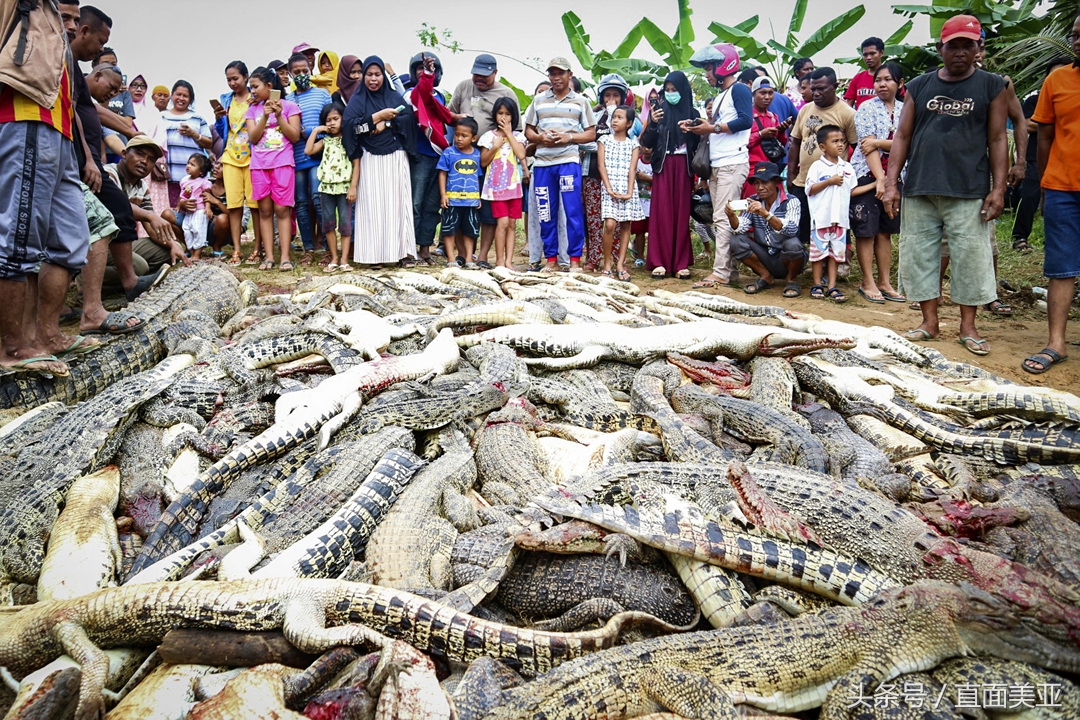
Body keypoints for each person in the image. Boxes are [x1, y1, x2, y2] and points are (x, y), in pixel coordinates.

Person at [883, 14, 1009, 355]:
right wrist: (891, 183)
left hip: (968, 188)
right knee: (919, 255)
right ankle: (929, 322)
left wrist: (998, 189)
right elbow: (903, 136)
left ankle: (968, 327)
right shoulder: (921, 85)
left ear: (978, 48)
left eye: (968, 45)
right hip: (920, 186)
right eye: (953, 45)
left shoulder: (991, 85)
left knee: (971, 258)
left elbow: (998, 138)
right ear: (941, 48)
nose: (960, 52)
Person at [0, 0, 94, 375]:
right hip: (25, 118)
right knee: (18, 239)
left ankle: (47, 336)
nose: (72, 25)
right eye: (68, 18)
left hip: (60, 134)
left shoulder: (56, 29)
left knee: (71, 241)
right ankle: (12, 348)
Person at [1022, 19, 1080, 374]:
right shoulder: (1056, 80)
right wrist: (1043, 183)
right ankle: (1056, 342)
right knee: (1061, 267)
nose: (1076, 41)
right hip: (1062, 188)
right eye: (1075, 34)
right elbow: (1044, 137)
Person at [683, 43, 753, 289]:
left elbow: (746, 121)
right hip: (720, 163)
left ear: (725, 65)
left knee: (724, 217)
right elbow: (720, 127)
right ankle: (729, 271)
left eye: (709, 68)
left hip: (732, 162)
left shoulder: (740, 90)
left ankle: (721, 272)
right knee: (721, 216)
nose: (707, 73)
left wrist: (710, 127)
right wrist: (698, 125)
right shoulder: (723, 95)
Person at [342, 56, 417, 267]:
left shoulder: (394, 97)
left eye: (377, 75)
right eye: (369, 75)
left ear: (383, 76)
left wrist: (388, 124)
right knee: (372, 207)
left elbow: (408, 119)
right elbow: (351, 128)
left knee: (398, 205)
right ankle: (374, 256)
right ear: (363, 76)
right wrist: (375, 118)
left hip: (395, 156)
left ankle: (403, 254)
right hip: (369, 158)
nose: (373, 79)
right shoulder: (357, 101)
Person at [447, 54, 520, 268]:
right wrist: (459, 119)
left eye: (484, 76)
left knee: (488, 212)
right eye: (476, 74)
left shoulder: (506, 93)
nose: (479, 79)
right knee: (462, 204)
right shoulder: (463, 87)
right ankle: (463, 254)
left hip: (493, 162)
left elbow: (515, 128)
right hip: (463, 156)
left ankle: (482, 256)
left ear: (495, 73)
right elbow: (448, 115)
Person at [523, 57, 596, 271]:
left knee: (573, 211)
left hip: (568, 162)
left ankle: (574, 261)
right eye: (552, 73)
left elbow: (591, 133)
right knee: (546, 212)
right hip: (543, 163)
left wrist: (569, 138)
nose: (556, 78)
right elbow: (528, 130)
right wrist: (540, 139)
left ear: (569, 75)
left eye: (560, 73)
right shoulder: (538, 100)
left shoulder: (581, 102)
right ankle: (551, 260)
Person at [850, 62, 906, 304]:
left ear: (900, 83)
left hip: (898, 176)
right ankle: (867, 281)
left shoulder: (906, 110)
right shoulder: (866, 107)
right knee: (866, 230)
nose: (882, 84)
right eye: (878, 80)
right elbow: (866, 146)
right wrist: (881, 180)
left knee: (886, 231)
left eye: (888, 79)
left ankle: (884, 281)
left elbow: (910, 143)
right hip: (867, 175)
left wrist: (881, 143)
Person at [787, 67, 857, 249]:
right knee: (801, 222)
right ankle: (807, 260)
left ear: (834, 86)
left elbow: (856, 148)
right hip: (804, 181)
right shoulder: (805, 110)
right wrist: (790, 174)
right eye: (813, 88)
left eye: (821, 89)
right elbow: (795, 142)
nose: (815, 93)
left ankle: (839, 261)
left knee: (832, 222)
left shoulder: (847, 113)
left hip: (832, 183)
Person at [639, 71, 699, 280]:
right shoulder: (658, 111)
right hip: (663, 166)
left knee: (681, 214)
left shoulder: (693, 112)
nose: (671, 94)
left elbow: (698, 145)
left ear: (683, 91)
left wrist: (692, 129)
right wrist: (653, 124)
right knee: (661, 213)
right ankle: (659, 262)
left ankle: (681, 263)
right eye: (668, 90)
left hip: (684, 166)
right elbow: (646, 143)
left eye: (675, 90)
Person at [244, 66, 302, 271]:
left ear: (269, 86)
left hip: (282, 163)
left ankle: (285, 257)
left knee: (282, 209)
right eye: (250, 87)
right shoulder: (252, 110)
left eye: (255, 86)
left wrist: (278, 116)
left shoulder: (289, 107)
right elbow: (253, 137)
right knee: (265, 211)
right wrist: (264, 116)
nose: (252, 91)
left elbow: (294, 136)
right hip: (259, 166)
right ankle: (268, 257)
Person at [1012, 57, 1071, 254]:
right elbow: (1026, 123)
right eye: (1054, 73)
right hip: (1036, 154)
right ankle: (1020, 236)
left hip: (1065, 157)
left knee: (1061, 202)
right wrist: (1056, 121)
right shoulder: (1035, 100)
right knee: (1030, 195)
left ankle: (1054, 240)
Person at [728, 162, 806, 297]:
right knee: (736, 241)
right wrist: (731, 216)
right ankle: (766, 276)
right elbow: (740, 227)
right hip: (765, 256)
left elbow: (792, 229)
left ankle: (791, 279)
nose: (760, 187)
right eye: (756, 183)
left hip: (786, 257)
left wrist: (766, 214)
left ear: (776, 182)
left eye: (764, 182)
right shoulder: (752, 201)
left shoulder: (791, 201)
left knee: (793, 244)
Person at [582, 74, 635, 273]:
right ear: (601, 97)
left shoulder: (630, 119)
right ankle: (594, 258)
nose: (611, 100)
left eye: (615, 96)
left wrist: (614, 116)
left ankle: (615, 258)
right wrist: (602, 143)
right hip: (593, 173)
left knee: (617, 221)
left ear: (622, 97)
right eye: (607, 96)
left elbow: (630, 143)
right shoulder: (593, 117)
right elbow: (584, 141)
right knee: (594, 219)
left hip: (618, 178)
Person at [405, 52, 454, 265]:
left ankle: (425, 248)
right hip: (420, 156)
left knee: (433, 204)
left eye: (428, 69)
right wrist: (427, 74)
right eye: (419, 69)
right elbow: (422, 95)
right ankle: (409, 248)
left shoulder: (440, 96)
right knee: (415, 203)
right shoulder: (409, 94)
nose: (423, 72)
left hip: (439, 156)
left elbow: (444, 118)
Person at [286, 53, 332, 264]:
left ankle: (327, 246)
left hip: (319, 156)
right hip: (295, 158)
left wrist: (312, 132)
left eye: (305, 71)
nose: (302, 75)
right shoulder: (287, 100)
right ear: (290, 74)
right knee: (301, 204)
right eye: (297, 72)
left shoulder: (323, 95)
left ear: (311, 70)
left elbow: (332, 124)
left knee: (318, 198)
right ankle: (309, 248)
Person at [212, 61, 260, 265]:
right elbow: (222, 128)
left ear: (246, 76)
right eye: (228, 79)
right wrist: (218, 118)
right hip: (230, 156)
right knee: (233, 205)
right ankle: (237, 250)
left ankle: (258, 247)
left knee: (255, 204)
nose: (232, 83)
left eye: (235, 78)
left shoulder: (256, 98)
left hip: (252, 156)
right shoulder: (226, 100)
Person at [305, 101, 358, 272]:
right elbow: (308, 150)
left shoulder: (349, 140)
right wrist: (315, 131)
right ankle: (334, 257)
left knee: (345, 224)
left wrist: (353, 187)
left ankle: (344, 259)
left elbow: (357, 164)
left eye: (336, 118)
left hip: (344, 188)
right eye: (328, 120)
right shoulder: (326, 141)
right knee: (328, 224)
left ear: (343, 119)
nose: (332, 123)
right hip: (326, 188)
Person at [806, 125, 856, 302]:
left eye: (842, 141)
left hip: (840, 220)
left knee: (836, 253)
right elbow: (810, 189)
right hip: (821, 218)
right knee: (819, 253)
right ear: (822, 146)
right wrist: (830, 181)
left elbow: (851, 190)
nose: (840, 145)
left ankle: (832, 286)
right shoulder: (817, 166)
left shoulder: (847, 167)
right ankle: (817, 283)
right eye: (835, 141)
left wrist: (876, 185)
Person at [478, 98, 528, 270]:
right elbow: (483, 162)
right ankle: (499, 260)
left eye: (508, 114)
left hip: (514, 187)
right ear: (495, 115)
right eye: (500, 113)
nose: (504, 117)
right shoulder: (488, 137)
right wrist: (495, 147)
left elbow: (521, 154)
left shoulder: (518, 136)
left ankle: (509, 261)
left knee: (513, 224)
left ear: (514, 117)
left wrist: (508, 134)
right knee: (503, 222)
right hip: (496, 188)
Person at [598, 105, 644, 281]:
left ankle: (620, 264)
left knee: (626, 226)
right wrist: (608, 188)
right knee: (610, 225)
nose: (615, 120)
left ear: (629, 123)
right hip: (609, 187)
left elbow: (633, 169)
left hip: (627, 189)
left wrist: (630, 192)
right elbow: (601, 166)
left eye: (620, 117)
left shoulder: (633, 144)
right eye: (614, 117)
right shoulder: (604, 140)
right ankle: (607, 264)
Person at [438, 119, 483, 269]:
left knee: (470, 230)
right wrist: (443, 194)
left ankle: (469, 258)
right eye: (457, 135)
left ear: (474, 138)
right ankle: (451, 259)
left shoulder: (477, 155)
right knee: (449, 229)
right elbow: (442, 173)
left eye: (464, 135)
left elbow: (478, 177)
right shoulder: (449, 152)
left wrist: (479, 197)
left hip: (471, 201)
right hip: (452, 199)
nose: (459, 139)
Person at [160, 80, 212, 207]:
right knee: (171, 211)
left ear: (191, 99)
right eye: (178, 94)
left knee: (194, 209)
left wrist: (193, 134)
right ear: (172, 96)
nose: (181, 98)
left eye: (185, 96)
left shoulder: (198, 118)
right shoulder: (162, 116)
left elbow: (209, 143)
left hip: (193, 179)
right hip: (168, 176)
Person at [744, 76, 789, 197]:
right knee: (751, 209)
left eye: (770, 93)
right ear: (753, 94)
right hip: (752, 171)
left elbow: (780, 144)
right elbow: (740, 143)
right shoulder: (746, 116)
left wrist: (781, 131)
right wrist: (760, 135)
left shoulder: (773, 116)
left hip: (771, 171)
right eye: (762, 93)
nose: (767, 97)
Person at [178, 154, 213, 259]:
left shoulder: (203, 182)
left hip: (199, 211)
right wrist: (179, 205)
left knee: (198, 230)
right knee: (187, 229)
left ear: (201, 171)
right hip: (189, 211)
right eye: (188, 163)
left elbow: (207, 197)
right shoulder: (184, 180)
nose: (188, 166)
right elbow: (182, 195)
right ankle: (191, 251)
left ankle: (197, 255)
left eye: (193, 165)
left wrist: (208, 207)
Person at [845, 37, 885, 109]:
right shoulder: (858, 78)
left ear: (881, 53)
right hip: (861, 119)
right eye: (865, 55)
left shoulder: (891, 76)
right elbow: (848, 105)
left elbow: (902, 101)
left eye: (872, 53)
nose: (868, 57)